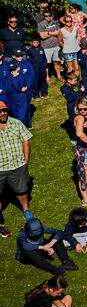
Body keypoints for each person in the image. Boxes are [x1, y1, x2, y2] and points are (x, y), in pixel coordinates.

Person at [0, 100, 32, 237]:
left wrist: (25, 161)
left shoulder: (16, 123)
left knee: (22, 190)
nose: (2, 114)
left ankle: (26, 210)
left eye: (4, 110)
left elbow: (25, 141)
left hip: (17, 165)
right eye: (0, 111)